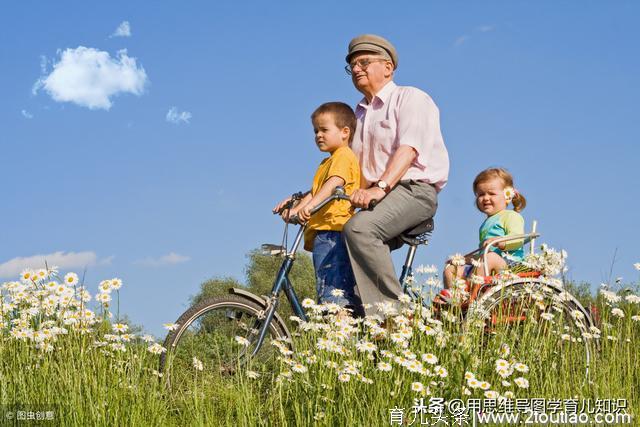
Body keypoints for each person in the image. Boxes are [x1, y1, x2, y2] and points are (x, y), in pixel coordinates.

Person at [341, 34, 450, 317]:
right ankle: (351, 323)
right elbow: (347, 167)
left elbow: (409, 149)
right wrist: (309, 199)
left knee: (360, 229)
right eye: (351, 65)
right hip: (378, 196)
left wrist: (380, 186)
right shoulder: (358, 114)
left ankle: (393, 319)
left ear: (388, 67)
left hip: (413, 190)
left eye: (364, 62)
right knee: (334, 240)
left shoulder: (410, 98)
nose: (356, 69)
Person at [273, 102, 362, 311]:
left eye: (324, 130)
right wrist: (295, 209)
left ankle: (341, 335)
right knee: (326, 289)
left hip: (334, 232)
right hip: (323, 233)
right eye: (315, 131)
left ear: (344, 132)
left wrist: (309, 207)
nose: (318, 135)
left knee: (333, 292)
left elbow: (334, 183)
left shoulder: (343, 156)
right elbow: (315, 191)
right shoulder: (326, 162)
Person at [442, 167, 527, 294]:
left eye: (491, 193)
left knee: (490, 257)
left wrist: (500, 241)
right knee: (451, 268)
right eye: (481, 194)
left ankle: (471, 294)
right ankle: (455, 297)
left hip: (509, 266)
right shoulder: (485, 225)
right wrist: (464, 259)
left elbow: (518, 239)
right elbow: (483, 254)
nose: (485, 198)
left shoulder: (511, 216)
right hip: (486, 265)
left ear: (507, 195)